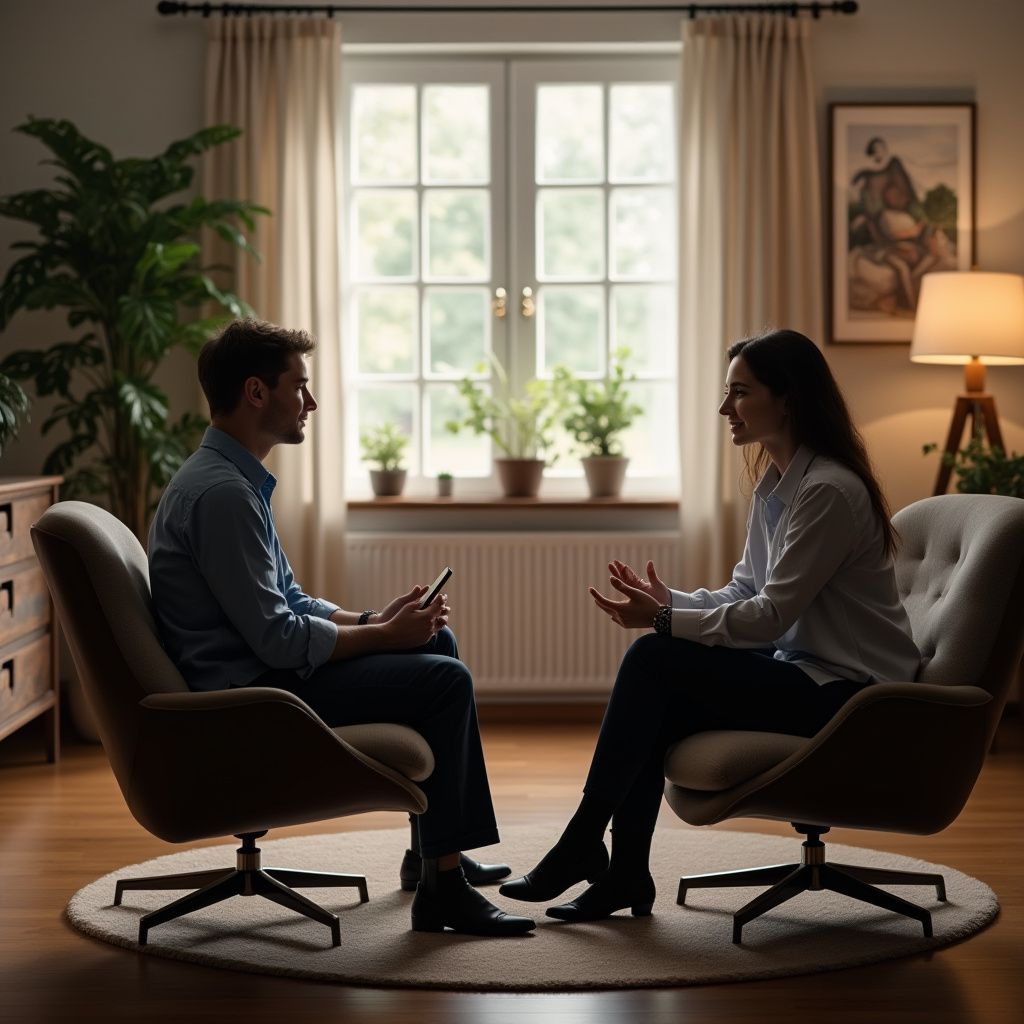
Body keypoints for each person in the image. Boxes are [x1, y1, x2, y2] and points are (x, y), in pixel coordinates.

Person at [500, 328, 920, 922]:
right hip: (803, 670)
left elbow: (769, 617)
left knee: (653, 659)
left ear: (788, 399)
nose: (726, 408)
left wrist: (664, 621)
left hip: (852, 696)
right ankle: (623, 871)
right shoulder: (777, 487)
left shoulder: (827, 491)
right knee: (658, 686)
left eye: (740, 393)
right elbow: (746, 592)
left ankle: (585, 842)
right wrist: (668, 600)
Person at [148, 318, 534, 937]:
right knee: (446, 681)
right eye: (299, 386)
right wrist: (382, 638)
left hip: (265, 674)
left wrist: (374, 620)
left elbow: (290, 599)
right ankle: (444, 890)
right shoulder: (223, 496)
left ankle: (434, 854)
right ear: (256, 392)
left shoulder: (232, 482)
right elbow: (278, 639)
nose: (311, 402)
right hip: (253, 700)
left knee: (437, 642)